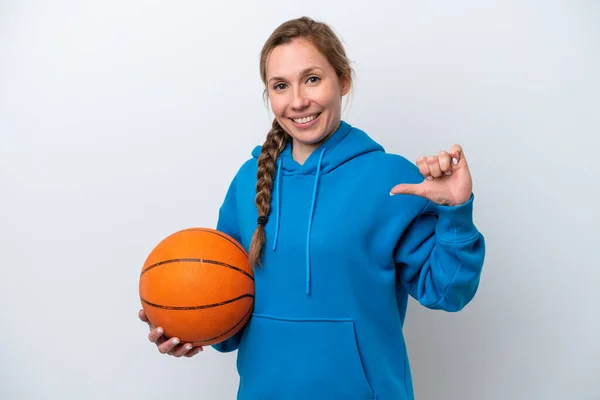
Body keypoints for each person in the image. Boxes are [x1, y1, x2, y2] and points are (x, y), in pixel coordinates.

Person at [139, 16, 486, 400]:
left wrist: (456, 213)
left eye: (313, 79)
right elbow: (226, 302)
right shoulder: (247, 181)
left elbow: (449, 292)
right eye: (281, 86)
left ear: (344, 81)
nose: (298, 100)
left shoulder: (392, 178)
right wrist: (186, 321)